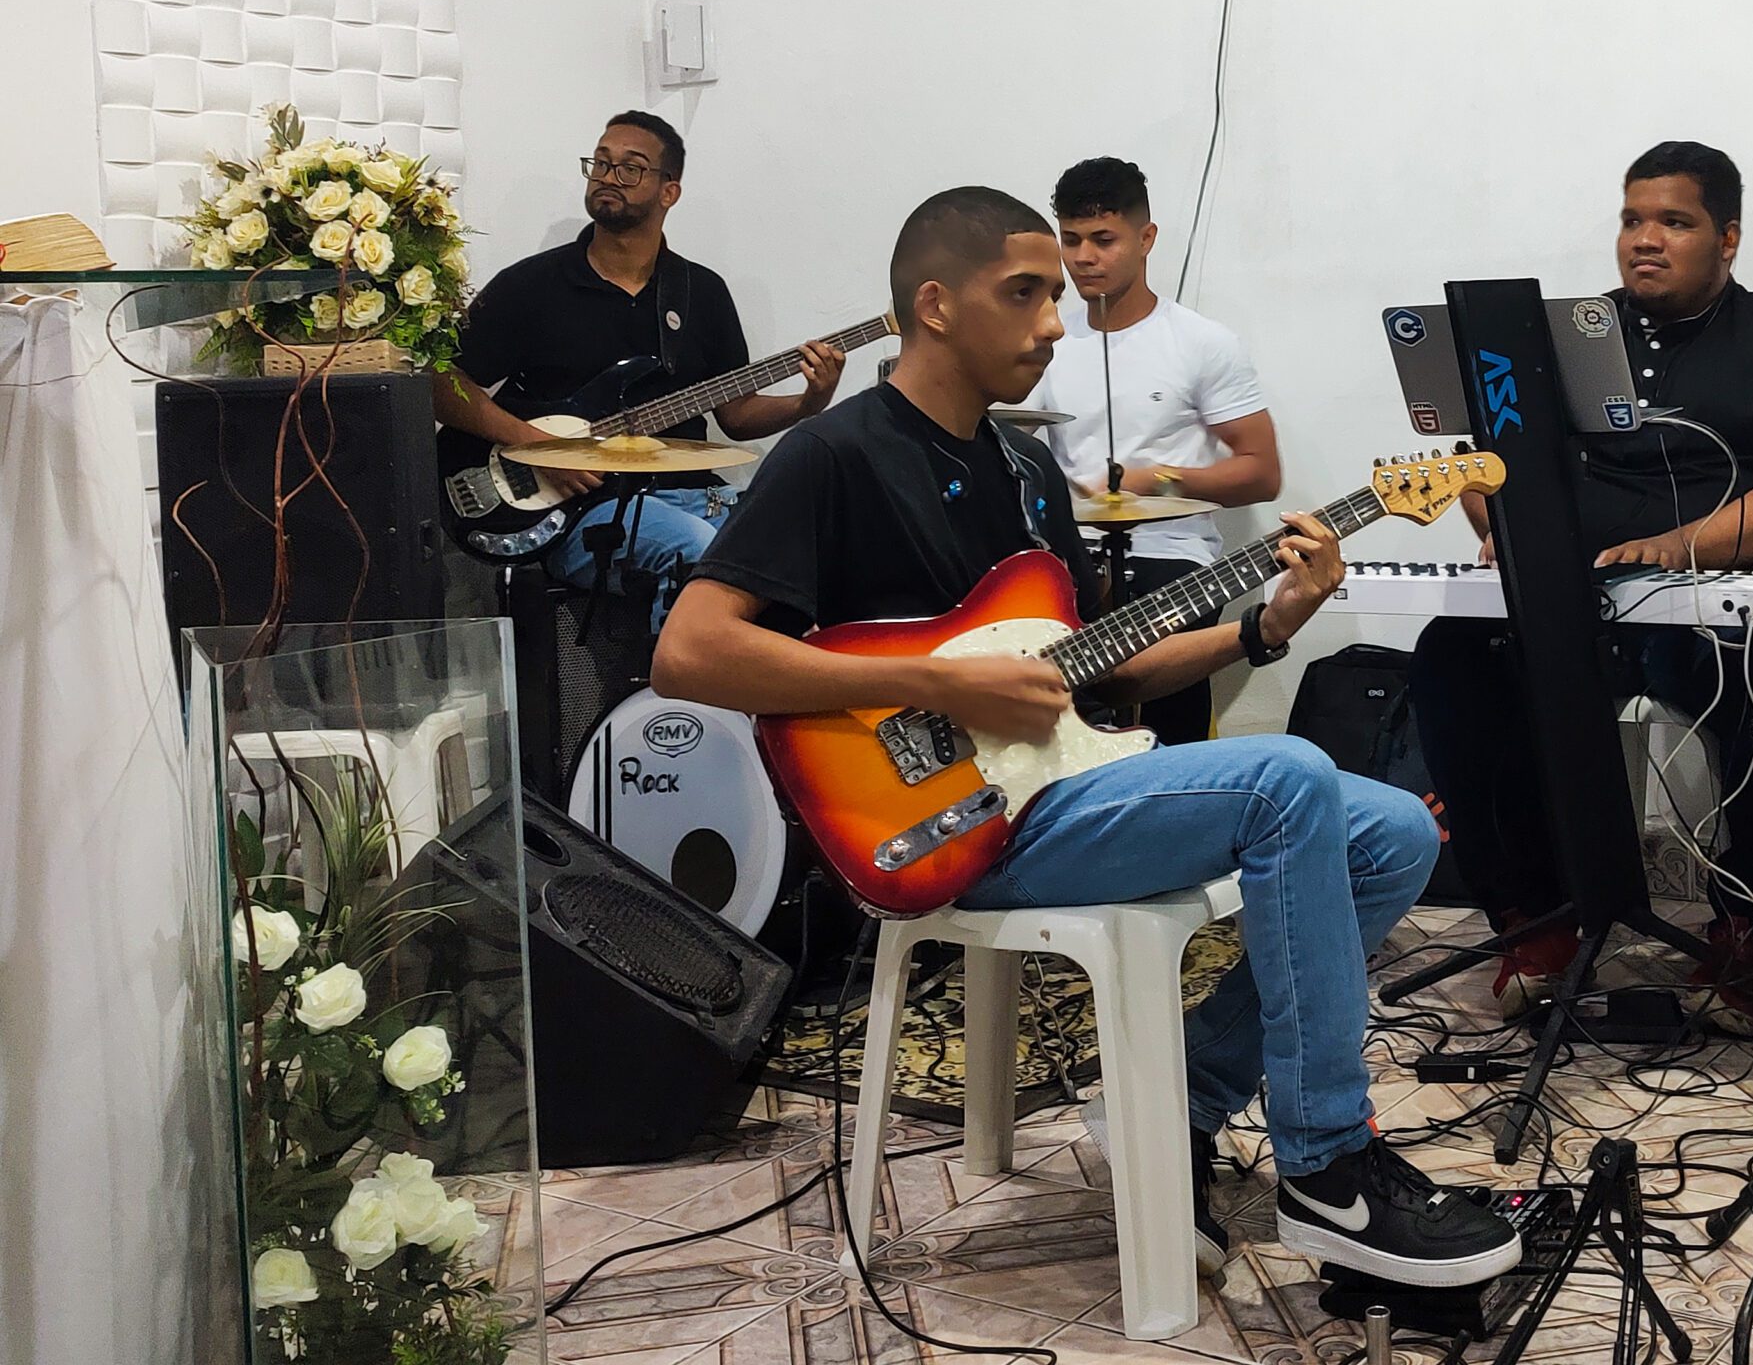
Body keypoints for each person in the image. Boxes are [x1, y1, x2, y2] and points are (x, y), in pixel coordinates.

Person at [651, 186, 1521, 1289]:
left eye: (1056, 295)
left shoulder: (1024, 474)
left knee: (1392, 830)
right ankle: (1327, 1164)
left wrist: (1264, 625)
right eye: (1024, 294)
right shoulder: (833, 454)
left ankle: (1183, 1103)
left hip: (1062, 781)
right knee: (1288, 776)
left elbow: (1100, 665)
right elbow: (690, 654)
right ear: (934, 305)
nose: (1055, 323)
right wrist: (932, 679)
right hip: (950, 820)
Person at [1408, 142, 1753, 1020]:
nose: (1645, 240)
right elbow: (1483, 465)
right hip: (1577, 603)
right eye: (1632, 220)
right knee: (1456, 659)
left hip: (1723, 608)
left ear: (1727, 238)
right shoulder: (1559, 340)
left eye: (1674, 222)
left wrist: (1680, 544)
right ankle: (1537, 917)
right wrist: (1506, 528)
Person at [433, 111, 846, 620]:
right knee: (699, 554)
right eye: (600, 163)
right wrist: (538, 447)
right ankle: (674, 673)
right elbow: (442, 384)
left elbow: (736, 414)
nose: (608, 176)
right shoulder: (531, 286)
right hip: (584, 513)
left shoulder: (701, 292)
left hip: (693, 494)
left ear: (669, 192)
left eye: (630, 168)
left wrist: (808, 402)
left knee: (812, 552)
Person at [1025, 156, 1283, 743]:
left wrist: (1155, 480)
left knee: (1164, 724)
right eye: (1070, 239)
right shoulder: (1045, 341)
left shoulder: (1202, 343)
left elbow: (1261, 474)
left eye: (1103, 240)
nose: (1083, 257)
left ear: (1146, 238)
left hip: (1172, 558)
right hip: (1071, 555)